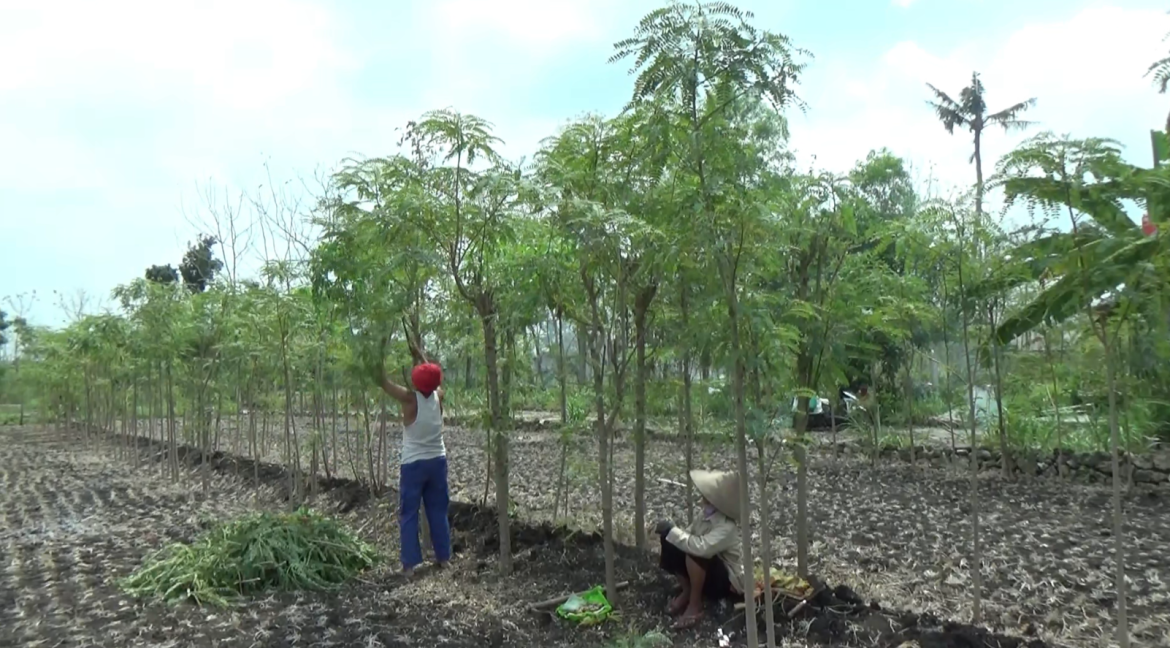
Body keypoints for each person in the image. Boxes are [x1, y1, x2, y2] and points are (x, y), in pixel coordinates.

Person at [373, 343, 452, 578]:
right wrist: (422, 355)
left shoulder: (410, 400)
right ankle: (444, 558)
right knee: (438, 510)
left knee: (409, 513)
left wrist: (378, 355)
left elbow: (384, 383)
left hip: (414, 465)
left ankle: (409, 565)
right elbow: (437, 380)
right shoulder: (438, 397)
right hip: (437, 461)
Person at [651, 469, 745, 629]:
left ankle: (695, 604)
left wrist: (674, 533)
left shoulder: (726, 527)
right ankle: (687, 590)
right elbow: (686, 536)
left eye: (707, 500)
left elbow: (702, 548)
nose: (703, 502)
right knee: (671, 540)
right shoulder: (704, 517)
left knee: (697, 553)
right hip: (704, 573)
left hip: (723, 582)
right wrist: (670, 531)